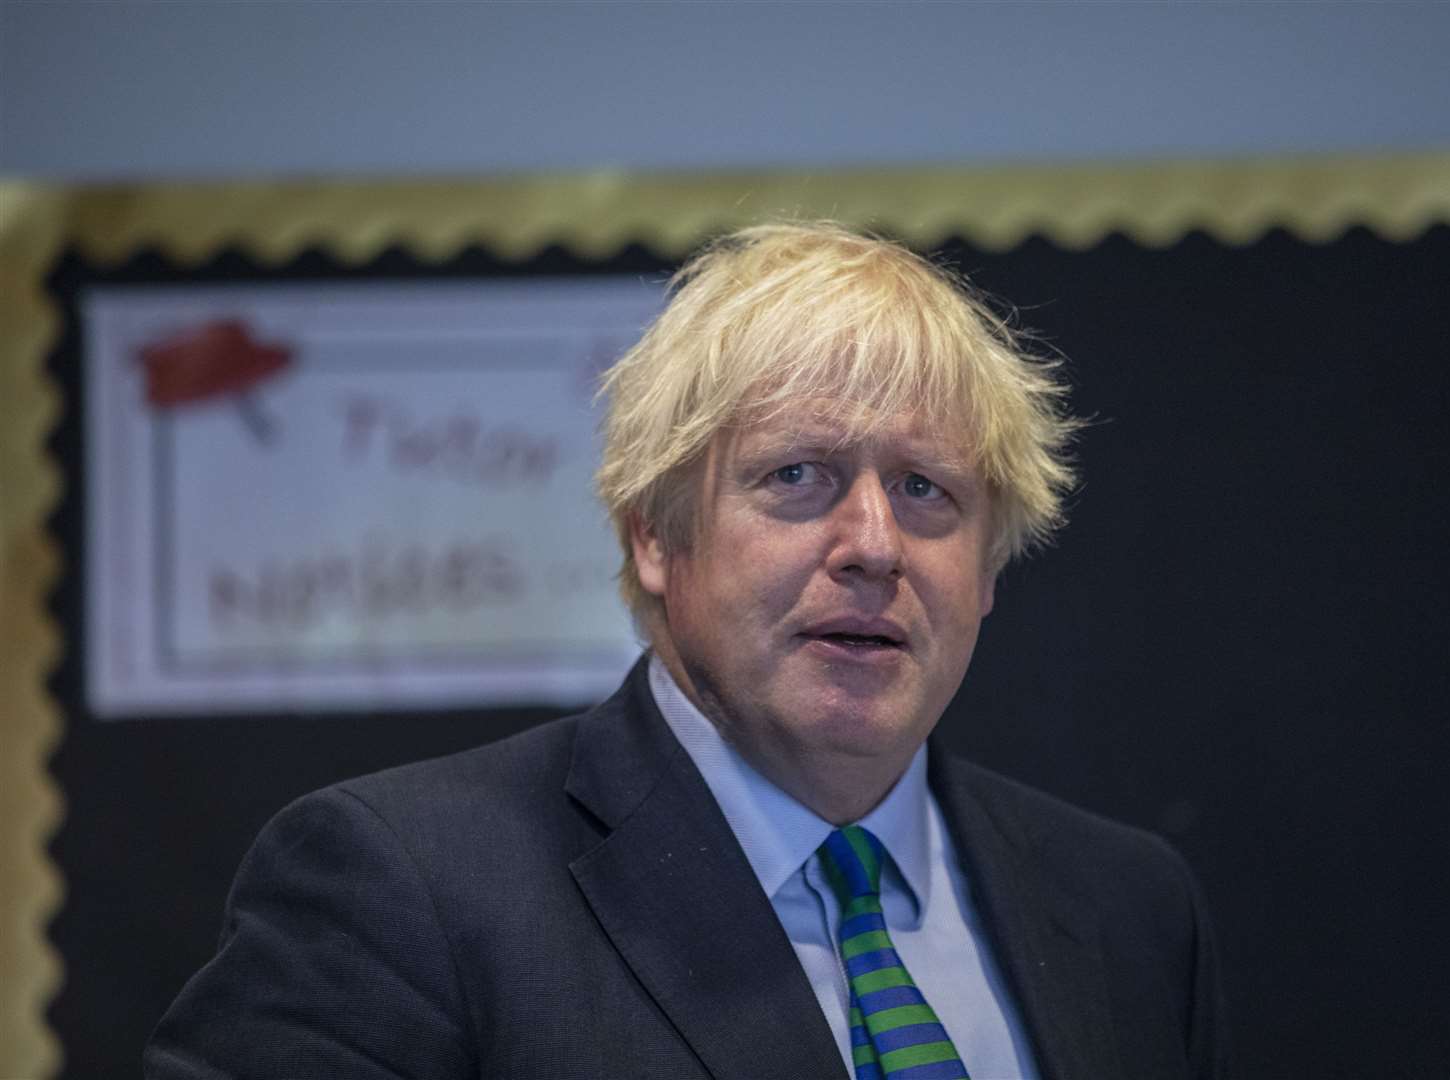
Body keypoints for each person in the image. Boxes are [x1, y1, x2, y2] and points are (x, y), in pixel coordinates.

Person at [146, 222, 1227, 1079]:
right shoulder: (403, 891)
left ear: (989, 573)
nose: (874, 546)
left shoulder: (1127, 908)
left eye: (926, 490)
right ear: (656, 536)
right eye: (798, 476)